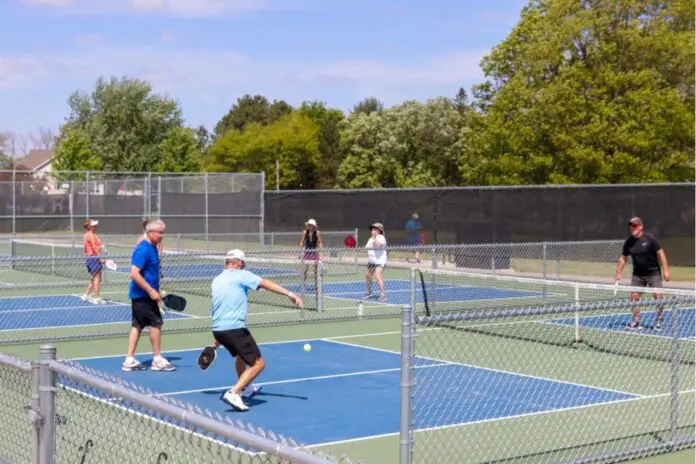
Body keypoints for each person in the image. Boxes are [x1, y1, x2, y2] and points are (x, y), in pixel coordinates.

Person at [212, 249, 303, 411]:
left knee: (241, 357)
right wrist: (289, 293)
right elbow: (265, 283)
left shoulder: (216, 280)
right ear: (238, 262)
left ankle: (244, 387)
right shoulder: (242, 274)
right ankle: (234, 392)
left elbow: (219, 306)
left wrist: (218, 338)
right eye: (243, 263)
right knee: (259, 364)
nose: (243, 265)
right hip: (234, 328)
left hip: (219, 328)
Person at [122, 219, 175, 372]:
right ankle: (157, 359)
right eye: (159, 232)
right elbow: (134, 273)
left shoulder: (152, 248)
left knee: (137, 325)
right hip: (143, 295)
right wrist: (151, 291)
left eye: (163, 232)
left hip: (143, 295)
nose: (162, 235)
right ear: (150, 232)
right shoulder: (144, 249)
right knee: (156, 324)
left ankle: (129, 359)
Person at [615, 217, 671, 330]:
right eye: (631, 226)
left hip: (653, 273)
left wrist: (666, 270)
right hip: (637, 275)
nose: (633, 228)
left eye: (635, 225)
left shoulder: (650, 239)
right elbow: (623, 258)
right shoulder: (629, 242)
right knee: (633, 296)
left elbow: (661, 253)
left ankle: (659, 319)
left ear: (641, 226)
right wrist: (618, 272)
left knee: (658, 295)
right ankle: (636, 321)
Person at [82, 218, 105, 304]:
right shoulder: (90, 235)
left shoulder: (92, 234)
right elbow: (94, 247)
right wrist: (100, 258)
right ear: (90, 227)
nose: (96, 226)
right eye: (94, 225)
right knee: (97, 278)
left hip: (93, 257)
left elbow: (97, 246)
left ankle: (86, 295)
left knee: (96, 277)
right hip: (93, 258)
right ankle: (97, 297)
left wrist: (102, 248)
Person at [363, 222, 388, 302]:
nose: (373, 230)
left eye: (375, 229)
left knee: (378, 276)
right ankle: (369, 291)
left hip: (380, 261)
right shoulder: (370, 239)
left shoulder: (381, 237)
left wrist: (374, 238)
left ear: (379, 230)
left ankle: (383, 294)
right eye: (372, 229)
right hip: (372, 261)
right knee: (368, 276)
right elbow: (366, 249)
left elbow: (377, 245)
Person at [299, 218, 323, 291]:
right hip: (307, 252)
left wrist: (321, 252)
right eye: (309, 225)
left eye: (311, 225)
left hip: (314, 252)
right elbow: (302, 242)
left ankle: (317, 285)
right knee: (305, 269)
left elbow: (319, 242)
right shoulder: (305, 232)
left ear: (314, 226)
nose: (310, 226)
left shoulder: (317, 233)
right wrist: (299, 252)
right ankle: (303, 285)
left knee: (316, 269)